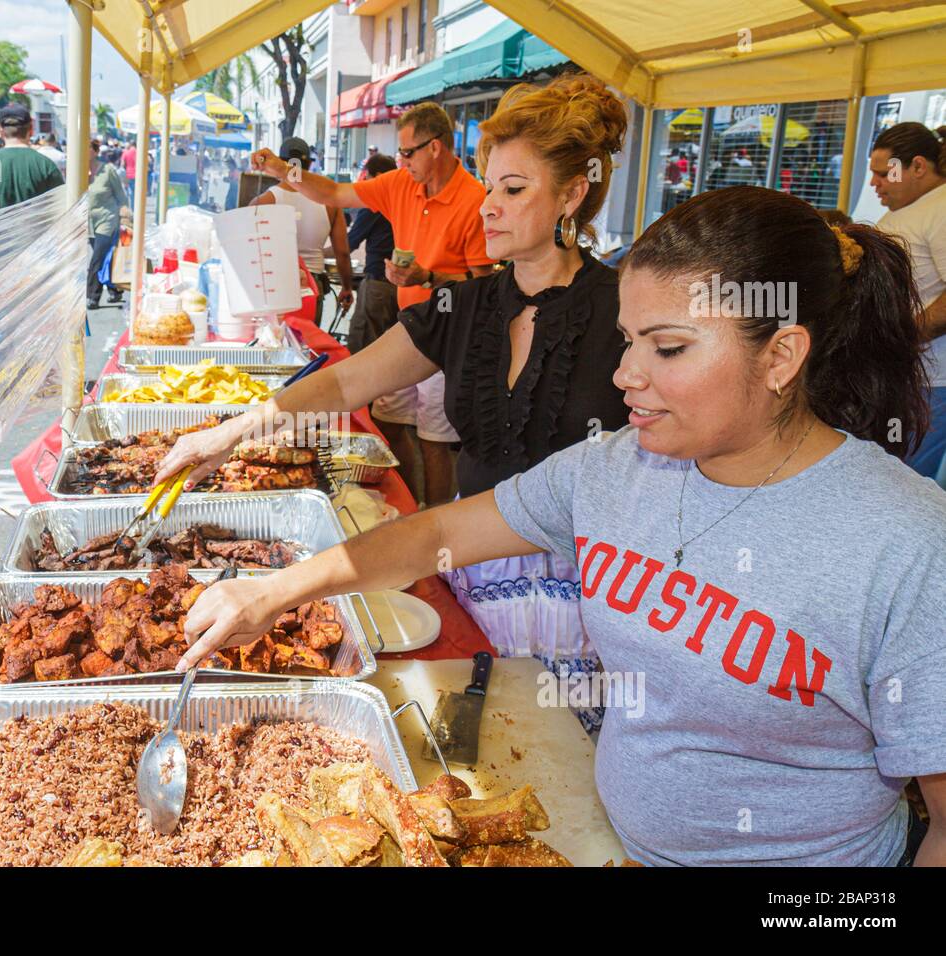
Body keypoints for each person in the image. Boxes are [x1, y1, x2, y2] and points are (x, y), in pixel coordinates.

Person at [177, 185, 946, 867]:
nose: (625, 376)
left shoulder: (906, 540)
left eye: (668, 348)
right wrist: (273, 592)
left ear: (781, 355)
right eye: (628, 341)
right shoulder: (609, 470)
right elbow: (428, 535)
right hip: (605, 837)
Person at [159, 77, 632, 715]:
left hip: (591, 603)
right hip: (471, 568)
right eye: (490, 186)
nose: (488, 206)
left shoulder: (627, 314)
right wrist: (232, 431)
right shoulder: (464, 305)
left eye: (513, 190)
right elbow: (347, 379)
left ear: (573, 195)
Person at [248, 101, 495, 507]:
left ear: (436, 147)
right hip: (408, 328)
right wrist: (282, 171)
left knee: (435, 440)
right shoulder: (402, 183)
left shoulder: (472, 198)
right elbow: (331, 192)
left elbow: (484, 283)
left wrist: (428, 278)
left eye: (408, 152)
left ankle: (432, 524)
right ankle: (410, 505)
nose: (402, 160)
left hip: (452, 337)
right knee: (386, 420)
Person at [869, 122, 946, 487]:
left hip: (932, 379)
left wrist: (903, 336)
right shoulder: (907, 209)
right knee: (886, 470)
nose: (875, 183)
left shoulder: (941, 208)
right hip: (902, 373)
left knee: (905, 481)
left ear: (918, 166)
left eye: (885, 173)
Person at [250, 136, 353, 328]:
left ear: (278, 163)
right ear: (308, 164)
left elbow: (248, 251)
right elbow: (343, 253)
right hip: (313, 285)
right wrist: (347, 287)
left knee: (274, 343)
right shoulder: (330, 203)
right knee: (307, 345)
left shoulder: (264, 201)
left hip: (276, 282)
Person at [345, 151, 397, 354]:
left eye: (367, 176)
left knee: (362, 349)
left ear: (377, 177)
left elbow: (348, 245)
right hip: (401, 287)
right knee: (388, 353)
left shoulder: (375, 205)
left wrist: (318, 253)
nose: (364, 180)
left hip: (378, 286)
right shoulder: (403, 202)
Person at [0, 104, 64, 214]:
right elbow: (61, 208)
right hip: (38, 230)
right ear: (31, 130)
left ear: (0, 130)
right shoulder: (45, 165)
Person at [86, 138, 130, 309]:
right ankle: (114, 289)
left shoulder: (107, 170)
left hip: (107, 219)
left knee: (96, 259)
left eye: (88, 147)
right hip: (88, 222)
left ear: (96, 151)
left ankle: (93, 297)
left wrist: (125, 213)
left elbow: (121, 195)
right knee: (105, 258)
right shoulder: (76, 170)